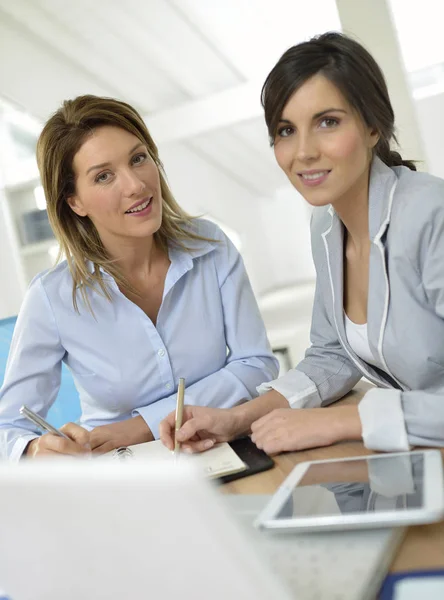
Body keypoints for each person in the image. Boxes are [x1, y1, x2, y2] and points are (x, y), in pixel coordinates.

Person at [160, 32, 444, 456]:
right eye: (286, 130)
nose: (304, 151)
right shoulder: (326, 226)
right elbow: (333, 355)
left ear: (372, 126)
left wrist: (344, 420)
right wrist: (239, 418)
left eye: (327, 122)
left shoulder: (431, 215)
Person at [0, 95, 278, 460]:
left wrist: (138, 427)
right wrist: (35, 449)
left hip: (230, 454)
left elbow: (257, 365)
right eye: (103, 176)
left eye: (138, 158)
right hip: (127, 479)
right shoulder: (52, 298)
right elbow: (7, 429)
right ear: (75, 203)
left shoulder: (210, 246)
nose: (135, 185)